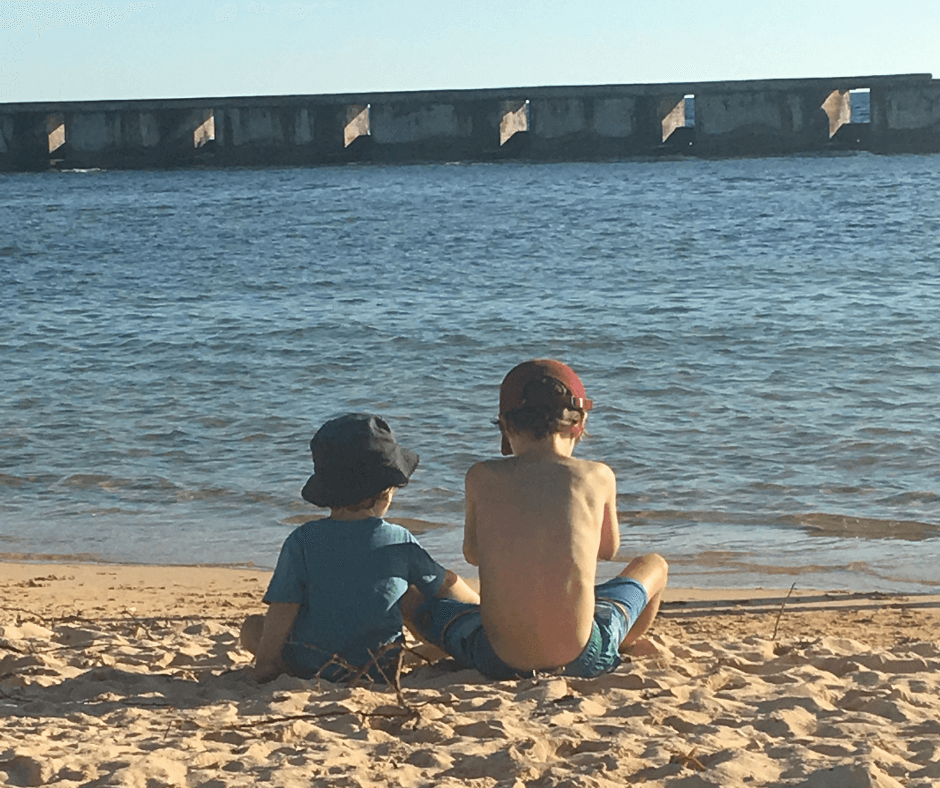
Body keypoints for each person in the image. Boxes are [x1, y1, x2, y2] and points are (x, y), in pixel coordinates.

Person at [414, 359, 668, 680]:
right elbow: (608, 550)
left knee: (425, 595)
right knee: (654, 565)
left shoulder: (481, 476)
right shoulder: (598, 476)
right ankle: (623, 643)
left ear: (505, 426)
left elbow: (473, 555)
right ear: (580, 423)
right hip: (583, 658)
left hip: (496, 659)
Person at [240, 412, 479, 684]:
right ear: (387, 491)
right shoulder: (399, 540)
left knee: (252, 628)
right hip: (380, 667)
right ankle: (416, 655)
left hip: (312, 665)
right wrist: (480, 606)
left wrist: (267, 663)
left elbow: (284, 605)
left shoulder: (303, 540)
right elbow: (445, 584)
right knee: (412, 594)